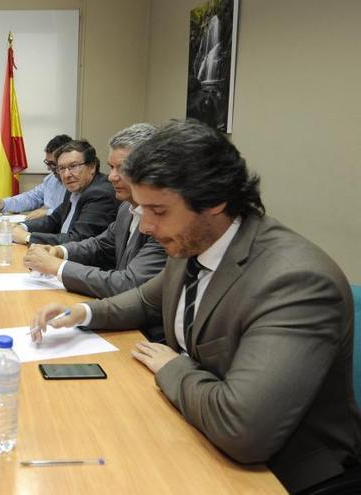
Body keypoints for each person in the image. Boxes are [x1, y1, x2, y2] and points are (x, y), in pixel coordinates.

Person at [30, 120, 361, 494]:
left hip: (282, 473)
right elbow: (144, 299)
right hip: (196, 429)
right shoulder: (194, 239)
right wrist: (84, 314)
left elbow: (243, 429)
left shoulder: (295, 282)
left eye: (158, 211)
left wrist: (173, 368)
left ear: (214, 200)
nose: (145, 228)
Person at [22, 124, 166, 301]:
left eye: (122, 168)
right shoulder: (125, 208)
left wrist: (58, 267)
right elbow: (100, 245)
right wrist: (58, 251)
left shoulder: (164, 222)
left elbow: (128, 283)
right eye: (111, 167)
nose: (112, 176)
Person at [12, 139, 118, 245]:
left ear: (92, 167)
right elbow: (53, 220)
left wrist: (28, 237)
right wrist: (22, 226)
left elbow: (78, 239)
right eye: (62, 168)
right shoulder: (74, 187)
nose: (66, 175)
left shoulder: (100, 194)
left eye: (73, 166)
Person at [0, 133, 71, 220]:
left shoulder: (76, 183)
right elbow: (32, 198)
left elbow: (73, 213)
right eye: (47, 162)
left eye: (52, 164)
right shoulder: (51, 179)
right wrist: (2, 203)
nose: (48, 168)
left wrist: (48, 212)